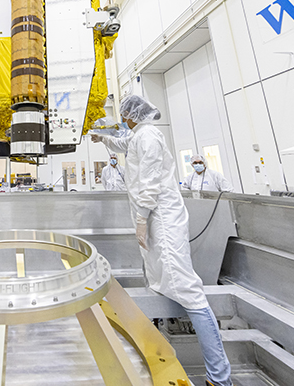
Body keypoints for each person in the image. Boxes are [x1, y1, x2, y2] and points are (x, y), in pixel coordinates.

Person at [91, 94, 231, 386]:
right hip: (154, 218)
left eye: (124, 114)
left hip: (162, 220)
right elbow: (122, 143)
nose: (122, 119)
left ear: (133, 114)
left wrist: (142, 217)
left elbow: (151, 181)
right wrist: (101, 137)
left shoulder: (149, 137)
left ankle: (220, 378)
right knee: (161, 282)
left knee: (187, 291)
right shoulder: (139, 135)